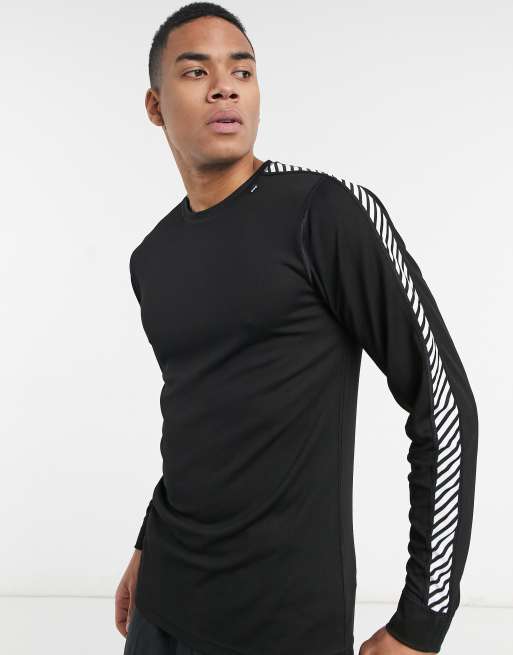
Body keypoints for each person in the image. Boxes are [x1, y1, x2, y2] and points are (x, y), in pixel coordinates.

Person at [115, 3, 479, 655]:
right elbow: (199, 415)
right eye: (196, 72)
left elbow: (443, 403)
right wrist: (147, 541)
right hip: (162, 603)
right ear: (154, 105)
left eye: (242, 71)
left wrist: (421, 624)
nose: (224, 87)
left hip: (281, 623)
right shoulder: (152, 257)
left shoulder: (321, 211)